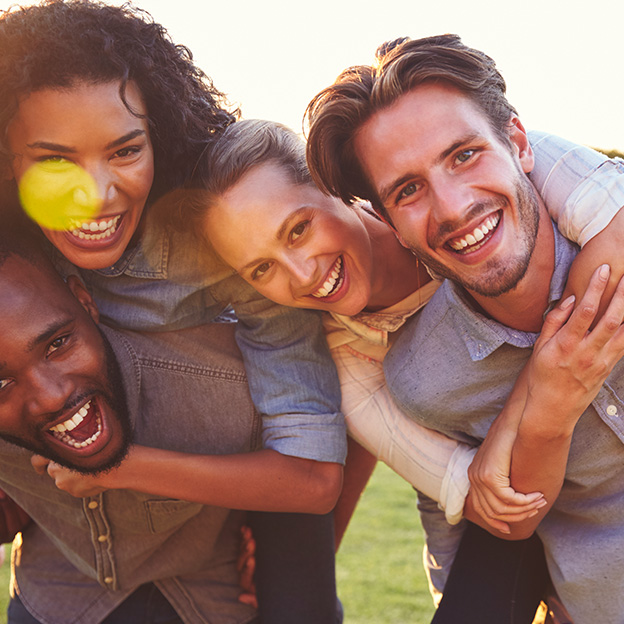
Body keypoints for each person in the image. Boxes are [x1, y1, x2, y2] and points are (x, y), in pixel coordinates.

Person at [0, 2, 344, 622]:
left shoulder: (228, 247)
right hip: (62, 572)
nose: (96, 193)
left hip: (216, 554)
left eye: (125, 150)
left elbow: (312, 467)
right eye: (54, 160)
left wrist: (120, 469)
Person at [304, 33, 624, 623]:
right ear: (391, 225)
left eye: (464, 155)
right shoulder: (427, 380)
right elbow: (509, 509)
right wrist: (549, 403)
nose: (452, 207)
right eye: (408, 190)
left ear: (520, 144)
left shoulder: (613, 228)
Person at [0, 222, 267, 623]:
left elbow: (321, 464)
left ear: (84, 301)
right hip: (54, 590)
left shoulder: (231, 383)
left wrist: (287, 561)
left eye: (58, 344)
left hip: (209, 591)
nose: (51, 396)